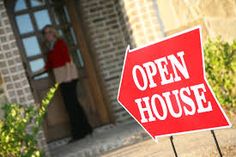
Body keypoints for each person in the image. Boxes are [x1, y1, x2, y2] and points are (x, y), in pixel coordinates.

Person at [36, 24, 92, 142]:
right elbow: (48, 66)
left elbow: (67, 60)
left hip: (68, 77)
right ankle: (86, 129)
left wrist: (67, 77)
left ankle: (78, 134)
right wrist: (33, 73)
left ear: (54, 32)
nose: (48, 35)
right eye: (45, 33)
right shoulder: (50, 48)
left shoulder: (60, 43)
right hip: (61, 78)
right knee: (74, 104)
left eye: (50, 32)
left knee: (71, 106)